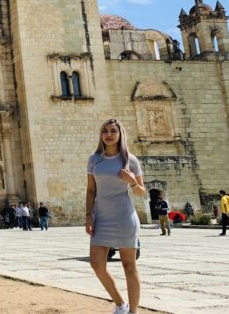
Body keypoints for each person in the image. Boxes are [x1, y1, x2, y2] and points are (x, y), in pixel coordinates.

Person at [86, 118, 145, 314]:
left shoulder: (130, 160)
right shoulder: (94, 159)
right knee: (96, 264)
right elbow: (91, 191)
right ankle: (120, 303)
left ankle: (133, 311)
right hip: (101, 218)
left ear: (120, 134)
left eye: (113, 131)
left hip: (124, 218)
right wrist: (88, 216)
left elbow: (140, 192)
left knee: (129, 265)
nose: (109, 134)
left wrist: (132, 182)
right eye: (105, 131)